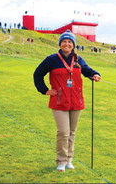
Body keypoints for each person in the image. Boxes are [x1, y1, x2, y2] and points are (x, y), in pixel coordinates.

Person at [33, 30, 101, 172]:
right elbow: (38, 74)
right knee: (63, 132)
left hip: (76, 101)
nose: (67, 44)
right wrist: (44, 90)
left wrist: (95, 74)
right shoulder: (52, 59)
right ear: (60, 44)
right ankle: (61, 161)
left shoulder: (78, 59)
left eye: (70, 42)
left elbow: (87, 70)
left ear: (73, 45)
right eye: (64, 41)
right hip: (59, 101)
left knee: (72, 132)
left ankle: (69, 159)